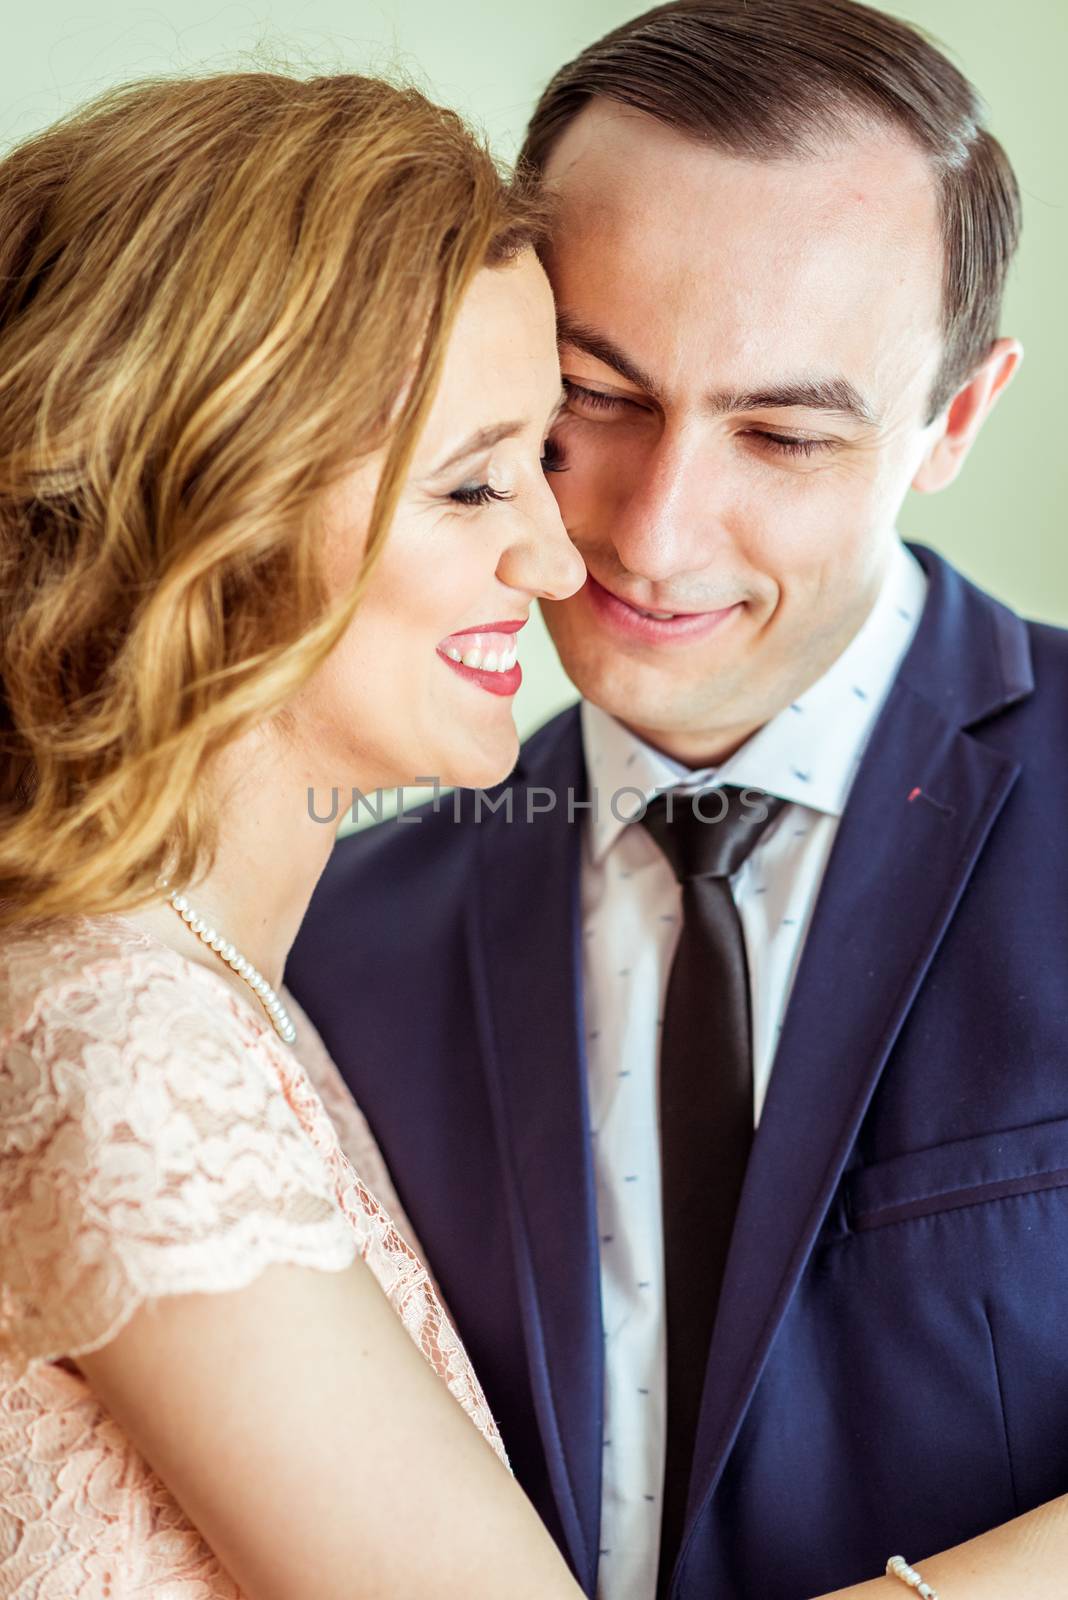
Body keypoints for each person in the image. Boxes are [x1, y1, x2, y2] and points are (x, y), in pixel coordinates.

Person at [285, 3, 1068, 1598]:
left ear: (957, 419)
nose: (651, 531)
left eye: (782, 433)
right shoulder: (333, 938)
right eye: (598, 399)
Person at [0, 68, 591, 1599]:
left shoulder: (216, 986)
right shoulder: (123, 1043)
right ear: (214, 504)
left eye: (548, 461)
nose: (559, 556)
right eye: (473, 484)